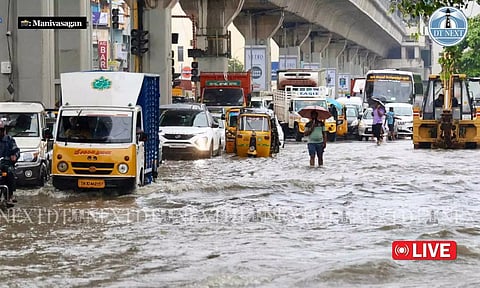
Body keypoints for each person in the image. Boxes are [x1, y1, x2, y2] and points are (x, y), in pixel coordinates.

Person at [0, 121, 20, 206]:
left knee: (9, 172)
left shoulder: (9, 140)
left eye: (1, 130)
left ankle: (10, 195)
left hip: (6, 164)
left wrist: (14, 156)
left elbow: (16, 150)